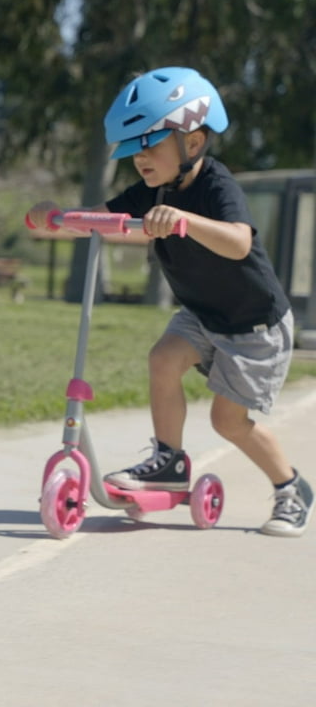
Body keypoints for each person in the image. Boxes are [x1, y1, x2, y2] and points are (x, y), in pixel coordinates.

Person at [28, 66, 313, 537]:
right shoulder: (151, 191)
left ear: (193, 143)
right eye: (133, 149)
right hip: (202, 314)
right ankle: (169, 463)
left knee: (228, 421)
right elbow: (102, 218)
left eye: (150, 144)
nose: (139, 158)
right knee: (162, 359)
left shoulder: (216, 186)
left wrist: (183, 219)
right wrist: (57, 218)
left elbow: (240, 242)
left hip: (254, 325)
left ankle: (291, 487)